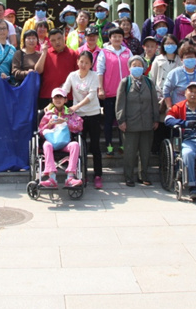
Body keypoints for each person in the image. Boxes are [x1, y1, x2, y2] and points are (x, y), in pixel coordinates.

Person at [116, 56, 160, 187]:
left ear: (144, 67)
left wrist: (156, 119)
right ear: (129, 67)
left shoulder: (149, 82)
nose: (137, 67)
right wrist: (121, 120)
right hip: (130, 123)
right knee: (129, 152)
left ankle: (143, 176)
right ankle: (129, 176)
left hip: (147, 123)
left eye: (139, 65)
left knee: (145, 152)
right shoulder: (125, 82)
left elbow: (154, 101)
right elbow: (120, 103)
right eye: (134, 65)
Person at [63, 51, 104, 189]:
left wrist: (76, 106)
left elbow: (91, 96)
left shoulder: (94, 76)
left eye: (87, 62)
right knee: (80, 146)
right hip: (78, 117)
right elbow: (64, 91)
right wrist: (53, 104)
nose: (83, 65)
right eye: (81, 62)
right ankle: (82, 173)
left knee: (95, 146)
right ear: (77, 62)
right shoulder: (72, 75)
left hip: (93, 114)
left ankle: (98, 175)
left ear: (91, 64)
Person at [96, 27, 133, 156]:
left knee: (123, 120)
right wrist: (101, 88)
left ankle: (123, 145)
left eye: (119, 36)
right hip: (110, 92)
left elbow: (132, 69)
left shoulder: (128, 52)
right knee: (109, 120)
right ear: (110, 38)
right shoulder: (104, 52)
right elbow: (100, 71)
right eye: (114, 36)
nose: (117, 39)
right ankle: (109, 145)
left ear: (123, 38)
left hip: (125, 92)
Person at [37, 88, 84, 189]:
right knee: (46, 145)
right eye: (55, 97)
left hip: (65, 143)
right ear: (52, 100)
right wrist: (49, 125)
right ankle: (52, 178)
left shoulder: (70, 113)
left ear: (65, 100)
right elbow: (40, 132)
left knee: (75, 145)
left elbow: (79, 126)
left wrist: (66, 122)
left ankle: (70, 177)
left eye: (60, 97)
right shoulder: (48, 114)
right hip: (52, 142)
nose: (58, 100)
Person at [34, 28, 79, 110]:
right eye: (53, 40)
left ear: (64, 38)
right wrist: (44, 53)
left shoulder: (73, 54)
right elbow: (38, 70)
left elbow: (78, 75)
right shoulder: (46, 53)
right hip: (47, 95)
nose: (57, 42)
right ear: (49, 42)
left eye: (59, 38)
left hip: (67, 96)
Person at [163, 43, 196, 108]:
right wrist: (169, 107)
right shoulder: (174, 73)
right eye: (187, 58)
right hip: (178, 109)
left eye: (192, 57)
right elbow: (166, 90)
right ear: (182, 59)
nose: (190, 59)